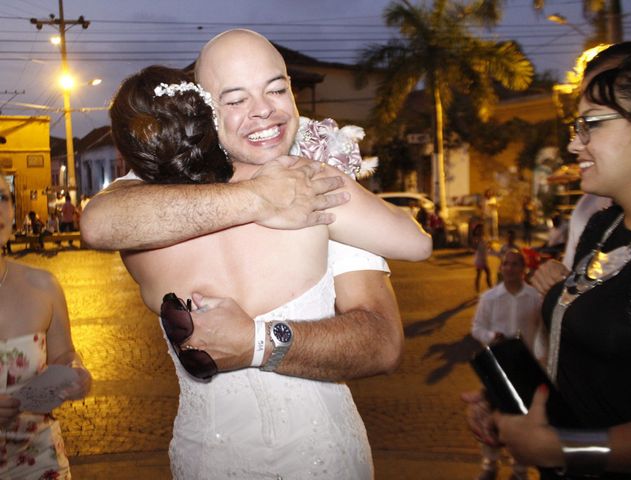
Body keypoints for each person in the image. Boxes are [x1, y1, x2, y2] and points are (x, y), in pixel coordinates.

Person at [84, 30, 431, 479]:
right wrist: (261, 198)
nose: (264, 109)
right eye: (235, 100)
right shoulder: (309, 182)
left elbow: (382, 344)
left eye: (276, 89)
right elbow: (418, 242)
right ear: (204, 110)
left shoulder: (151, 209)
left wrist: (256, 342)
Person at [464, 42, 631, 479]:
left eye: (589, 125)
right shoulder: (601, 229)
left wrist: (569, 449)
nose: (573, 144)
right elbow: (584, 357)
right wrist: (517, 403)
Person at [0, 172, 92, 478]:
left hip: (39, 462)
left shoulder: (43, 286)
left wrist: (74, 371)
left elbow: (64, 354)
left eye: (2, 197)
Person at [470, 249, 544, 480]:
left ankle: (520, 468)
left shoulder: (536, 298)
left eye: (515, 264)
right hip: (498, 367)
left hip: (526, 368)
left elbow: (543, 332)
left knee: (522, 419)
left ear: (523, 269)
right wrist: (492, 336)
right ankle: (490, 464)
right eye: (506, 264)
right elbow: (477, 328)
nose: (510, 268)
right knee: (491, 417)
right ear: (501, 268)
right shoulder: (490, 298)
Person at [472, 223, 493, 293]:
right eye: (479, 230)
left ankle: (489, 288)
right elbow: (474, 248)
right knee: (482, 274)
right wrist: (477, 243)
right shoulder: (476, 239)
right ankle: (487, 288)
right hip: (479, 259)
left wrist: (489, 245)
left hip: (483, 259)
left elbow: (486, 247)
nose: (480, 231)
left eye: (481, 229)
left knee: (486, 273)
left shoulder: (483, 238)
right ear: (476, 231)